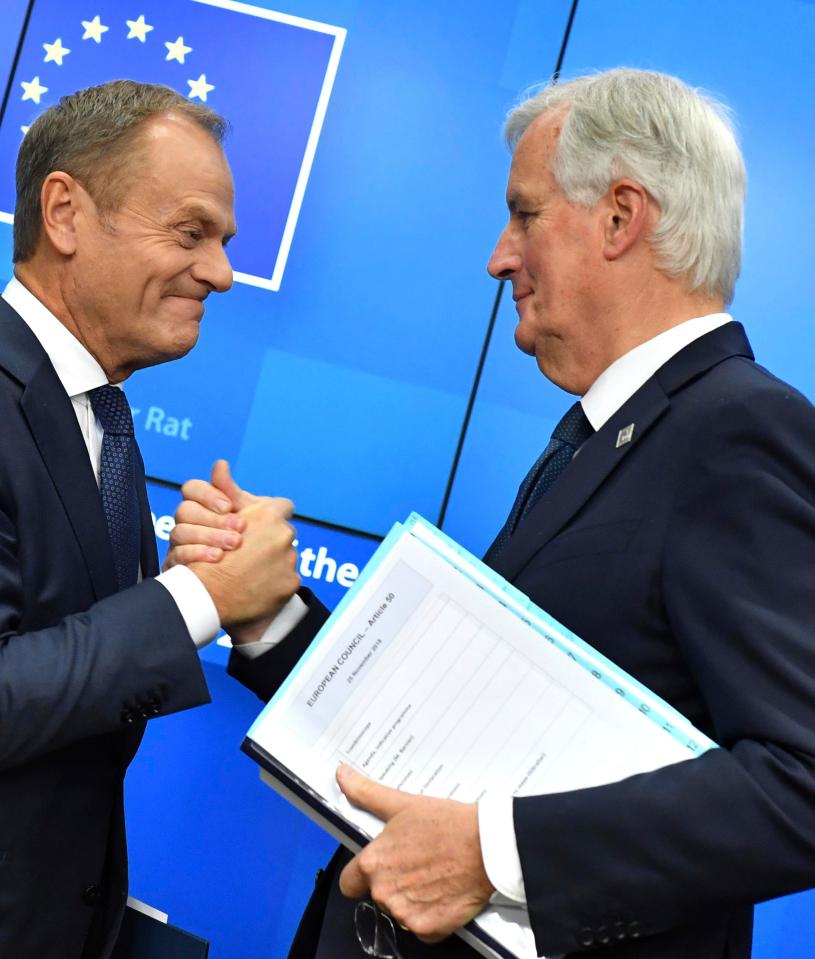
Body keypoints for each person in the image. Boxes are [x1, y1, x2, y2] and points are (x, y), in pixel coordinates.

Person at [170, 69, 815, 959]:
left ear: (621, 217)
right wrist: (266, 612)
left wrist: (494, 853)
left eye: (524, 213)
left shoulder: (738, 430)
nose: (499, 255)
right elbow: (446, 744)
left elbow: (801, 783)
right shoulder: (603, 434)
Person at [0, 80, 302, 959]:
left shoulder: (102, 415)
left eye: (222, 241)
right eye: (190, 232)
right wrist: (195, 599)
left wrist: (192, 584)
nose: (220, 271)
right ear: (64, 213)